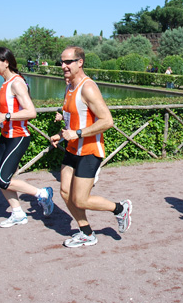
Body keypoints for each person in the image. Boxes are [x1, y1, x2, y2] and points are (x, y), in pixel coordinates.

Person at [50, 46, 132, 248]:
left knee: (81, 199)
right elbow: (74, 121)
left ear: (80, 62)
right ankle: (86, 233)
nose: (63, 66)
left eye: (68, 62)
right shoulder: (69, 87)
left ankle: (120, 208)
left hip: (89, 151)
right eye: (62, 62)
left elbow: (107, 121)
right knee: (65, 193)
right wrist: (61, 136)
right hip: (71, 149)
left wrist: (77, 134)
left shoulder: (88, 87)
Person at [0, 47, 54, 228]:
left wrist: (6, 117)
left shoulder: (16, 83)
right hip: (6, 135)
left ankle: (42, 193)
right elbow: (8, 109)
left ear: (6, 62)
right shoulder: (6, 83)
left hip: (18, 137)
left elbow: (31, 112)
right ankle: (18, 213)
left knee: (4, 179)